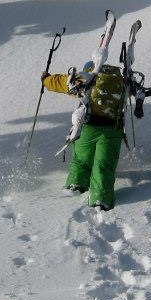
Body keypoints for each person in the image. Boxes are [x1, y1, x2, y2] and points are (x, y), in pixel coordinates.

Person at [40, 64, 131, 211]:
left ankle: (76, 185)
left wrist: (46, 79)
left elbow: (61, 82)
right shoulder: (119, 81)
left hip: (88, 127)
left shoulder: (85, 79)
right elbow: (132, 91)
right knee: (104, 165)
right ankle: (101, 199)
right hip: (112, 130)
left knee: (82, 160)